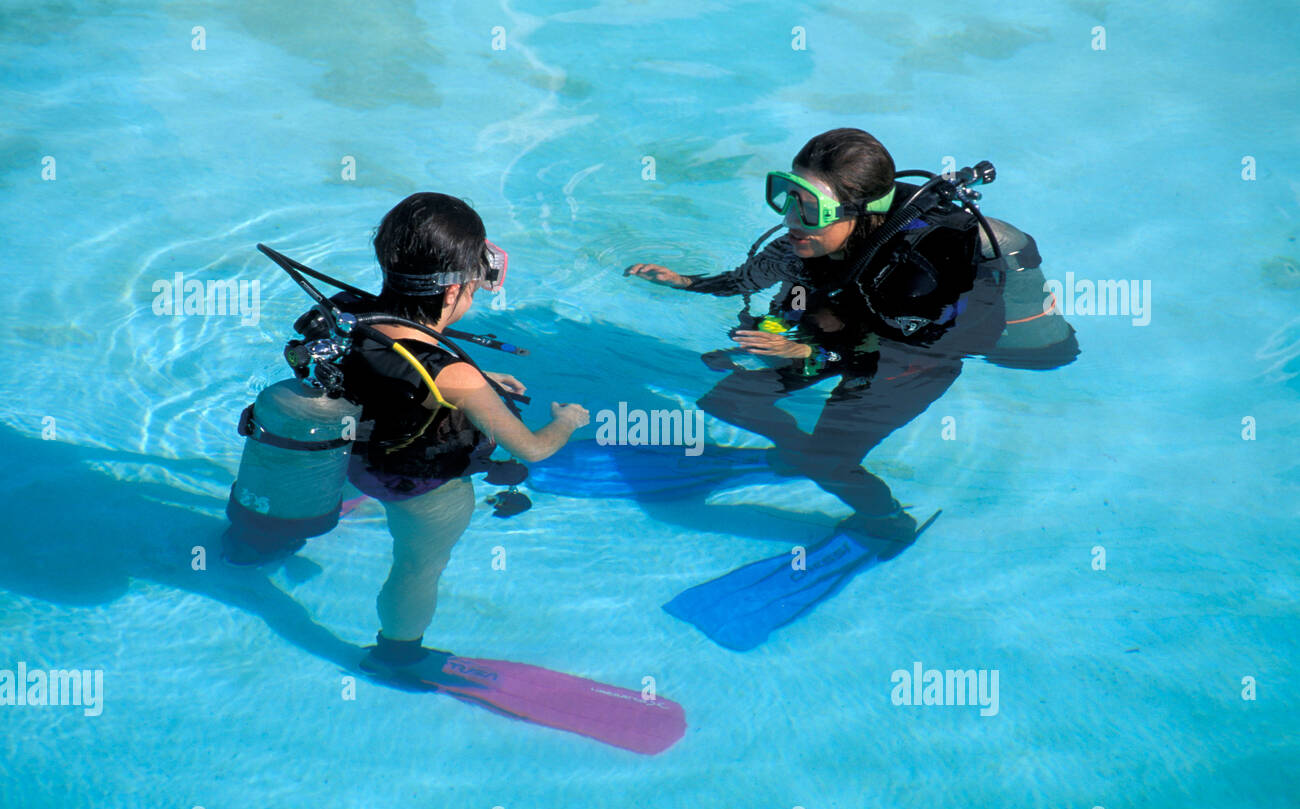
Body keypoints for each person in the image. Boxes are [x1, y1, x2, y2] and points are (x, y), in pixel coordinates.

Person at [627, 128, 1066, 547]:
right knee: (727, 401)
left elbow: (902, 350)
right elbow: (747, 278)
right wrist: (685, 282)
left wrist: (805, 349)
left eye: (809, 208)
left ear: (861, 211)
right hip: (846, 328)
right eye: (788, 197)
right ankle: (797, 452)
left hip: (914, 360)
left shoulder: (915, 278)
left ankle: (889, 521)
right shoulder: (802, 244)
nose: (790, 219)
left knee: (827, 463)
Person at [340, 193, 589, 683]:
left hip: (356, 463)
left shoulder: (351, 314)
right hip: (423, 494)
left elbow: (403, 371)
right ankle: (396, 655)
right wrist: (566, 420)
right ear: (453, 292)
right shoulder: (454, 375)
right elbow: (531, 449)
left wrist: (479, 381)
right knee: (416, 568)